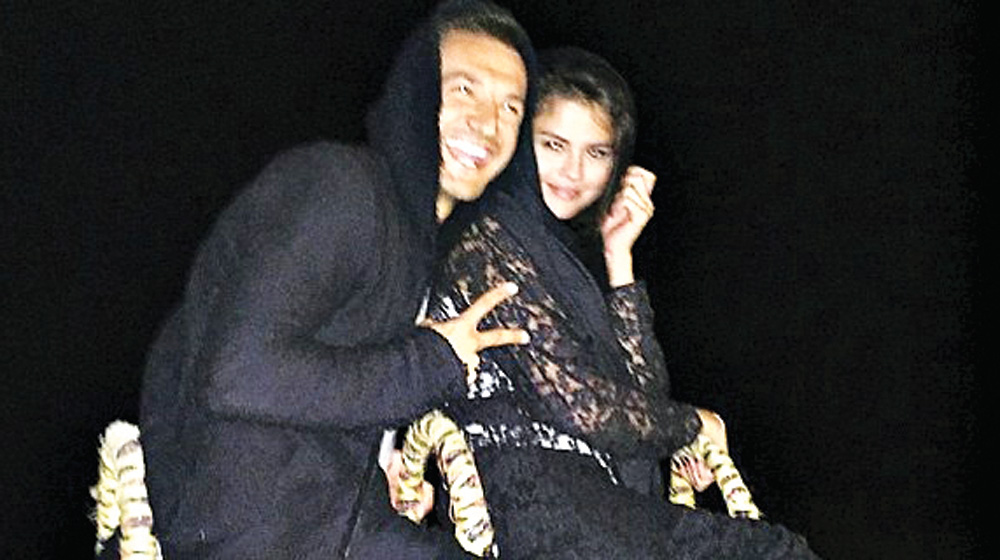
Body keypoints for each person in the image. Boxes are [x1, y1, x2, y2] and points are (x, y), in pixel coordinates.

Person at [137, 1, 538, 557]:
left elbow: (332, 398)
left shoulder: (417, 244)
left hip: (328, 528)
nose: (488, 124)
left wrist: (378, 472)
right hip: (253, 538)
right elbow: (237, 372)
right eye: (464, 89)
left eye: (511, 107)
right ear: (417, 94)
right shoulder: (340, 188)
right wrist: (431, 360)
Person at [421, 47, 820, 558]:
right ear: (519, 141)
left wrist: (619, 257)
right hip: (536, 508)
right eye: (553, 144)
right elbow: (584, 406)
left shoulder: (559, 256)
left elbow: (640, 400)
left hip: (587, 499)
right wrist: (692, 425)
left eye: (597, 153)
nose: (573, 171)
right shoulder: (488, 242)